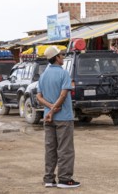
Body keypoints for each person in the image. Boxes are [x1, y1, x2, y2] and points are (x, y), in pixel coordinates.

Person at [36, 46, 80, 189]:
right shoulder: (64, 74)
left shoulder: (44, 75)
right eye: (61, 54)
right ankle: (65, 179)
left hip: (48, 118)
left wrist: (49, 109)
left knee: (50, 148)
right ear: (56, 57)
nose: (63, 56)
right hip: (63, 117)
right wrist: (54, 109)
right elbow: (63, 95)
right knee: (65, 149)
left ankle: (49, 179)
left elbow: (38, 96)